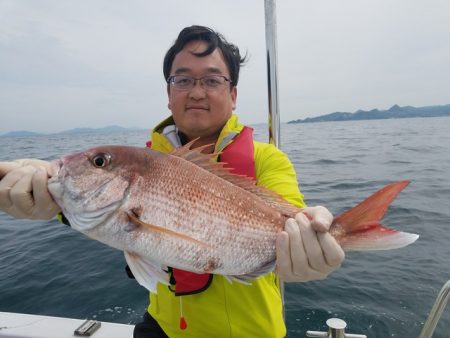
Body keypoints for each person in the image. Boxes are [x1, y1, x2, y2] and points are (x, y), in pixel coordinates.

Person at [0, 25, 344, 337]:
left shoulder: (267, 159)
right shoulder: (146, 158)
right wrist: (47, 196)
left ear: (234, 95)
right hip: (163, 328)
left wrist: (308, 248)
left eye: (212, 80)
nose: (196, 92)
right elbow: (104, 210)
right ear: (169, 93)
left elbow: (292, 216)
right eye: (183, 80)